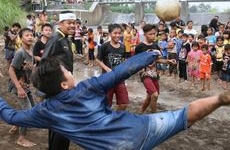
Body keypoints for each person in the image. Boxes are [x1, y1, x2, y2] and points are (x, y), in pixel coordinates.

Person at [1, 51, 230, 150]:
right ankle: (220, 99)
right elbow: (121, 72)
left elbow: (11, 115)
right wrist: (150, 55)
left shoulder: (45, 111)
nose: (71, 73)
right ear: (63, 83)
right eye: (67, 71)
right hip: (141, 130)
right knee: (182, 116)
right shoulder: (87, 88)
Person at [42, 11, 76, 150]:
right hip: (58, 90)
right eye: (69, 23)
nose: (72, 25)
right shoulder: (55, 39)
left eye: (73, 23)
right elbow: (44, 63)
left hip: (65, 88)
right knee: (61, 125)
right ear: (60, 24)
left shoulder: (66, 38)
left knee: (60, 126)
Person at [8, 28, 36, 147]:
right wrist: (19, 88)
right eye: (27, 35)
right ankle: (21, 138)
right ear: (21, 38)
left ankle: (16, 123)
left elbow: (29, 69)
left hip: (26, 86)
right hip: (18, 86)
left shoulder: (31, 51)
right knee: (27, 111)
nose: (30, 37)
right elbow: (11, 70)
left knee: (32, 108)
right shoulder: (20, 52)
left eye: (31, 35)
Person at [96, 24, 128, 111]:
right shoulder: (105, 46)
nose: (117, 35)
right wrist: (107, 69)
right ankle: (105, 120)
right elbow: (98, 60)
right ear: (110, 34)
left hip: (119, 78)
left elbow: (124, 60)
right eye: (115, 33)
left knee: (124, 103)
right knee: (107, 104)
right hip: (107, 79)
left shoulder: (123, 47)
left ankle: (115, 118)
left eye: (119, 33)